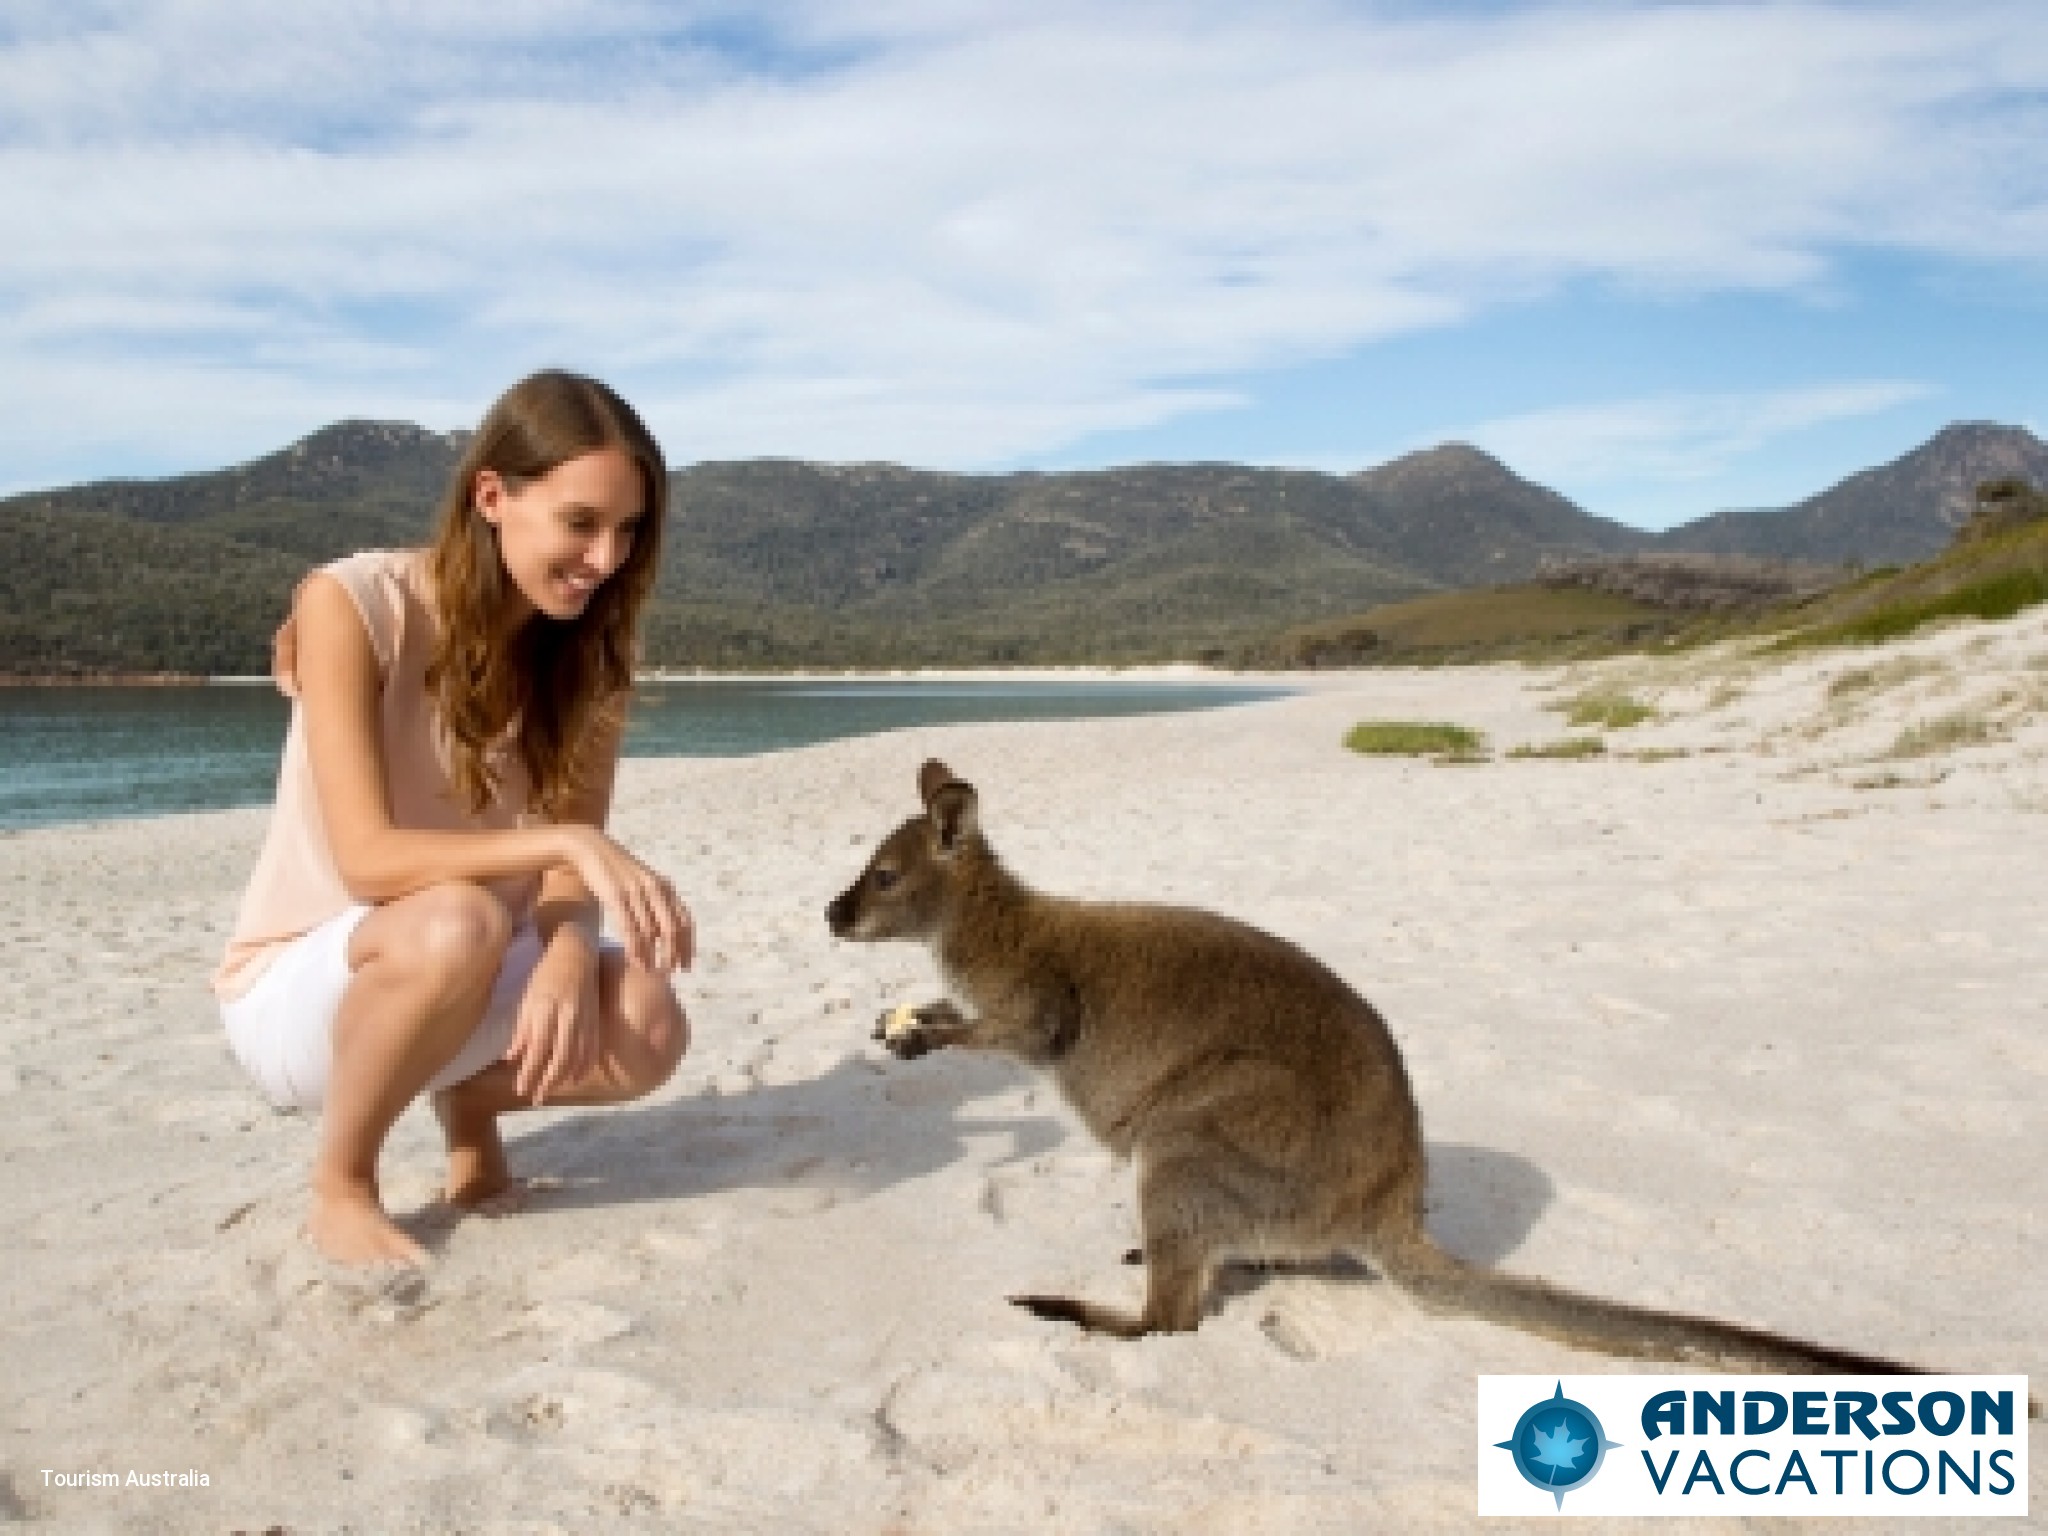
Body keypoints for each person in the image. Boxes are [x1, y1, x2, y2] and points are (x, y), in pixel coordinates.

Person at [212, 370, 694, 1268]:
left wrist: (561, 955)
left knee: (648, 1021)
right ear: (491, 497)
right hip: (307, 987)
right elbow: (367, 860)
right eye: (581, 523)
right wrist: (570, 840)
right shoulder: (356, 603)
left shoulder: (591, 661)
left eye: (628, 531)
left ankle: (471, 1109)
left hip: (459, 969)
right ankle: (343, 1184)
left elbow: (559, 882)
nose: (607, 559)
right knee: (461, 915)